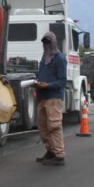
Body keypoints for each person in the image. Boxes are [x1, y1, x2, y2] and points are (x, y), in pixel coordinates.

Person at [34, 31, 68, 166]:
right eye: (44, 42)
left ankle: (59, 155)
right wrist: (36, 84)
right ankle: (50, 150)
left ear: (53, 42)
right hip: (42, 96)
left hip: (53, 97)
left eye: (48, 42)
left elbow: (62, 81)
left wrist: (48, 85)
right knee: (42, 126)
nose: (46, 45)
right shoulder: (44, 57)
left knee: (54, 125)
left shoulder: (59, 58)